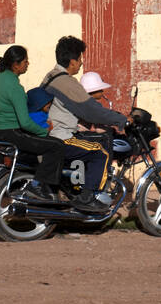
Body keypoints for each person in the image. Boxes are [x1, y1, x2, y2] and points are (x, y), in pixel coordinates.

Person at [42, 36, 127, 212]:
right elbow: (91, 111)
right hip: (61, 136)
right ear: (72, 61)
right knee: (100, 152)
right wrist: (121, 119)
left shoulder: (51, 76)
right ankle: (88, 198)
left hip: (49, 133)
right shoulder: (67, 82)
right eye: (80, 59)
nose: (81, 63)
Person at [0, 45, 66, 203]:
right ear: (16, 65)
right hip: (11, 133)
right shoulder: (16, 88)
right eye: (25, 62)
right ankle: (38, 188)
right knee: (57, 146)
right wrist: (44, 131)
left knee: (35, 153)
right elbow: (25, 122)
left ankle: (27, 182)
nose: (27, 64)